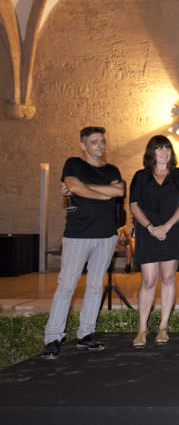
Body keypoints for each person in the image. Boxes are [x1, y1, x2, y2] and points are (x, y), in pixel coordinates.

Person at [43, 126, 125, 359]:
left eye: (102, 141)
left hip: (107, 236)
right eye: (94, 142)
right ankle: (53, 337)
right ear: (83, 145)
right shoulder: (74, 164)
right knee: (67, 285)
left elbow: (119, 191)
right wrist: (103, 193)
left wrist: (87, 190)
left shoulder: (112, 169)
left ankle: (86, 334)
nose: (100, 145)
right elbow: (75, 186)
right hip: (78, 235)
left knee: (95, 286)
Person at [128, 135, 179, 347]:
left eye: (168, 148)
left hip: (172, 230)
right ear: (151, 152)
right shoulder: (140, 176)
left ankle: (163, 327)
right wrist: (149, 227)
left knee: (168, 277)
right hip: (148, 232)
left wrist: (167, 226)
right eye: (160, 148)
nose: (165, 152)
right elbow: (134, 204)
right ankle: (142, 328)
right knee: (148, 280)